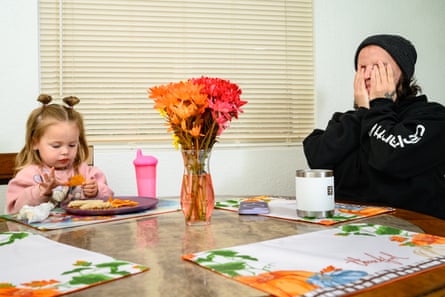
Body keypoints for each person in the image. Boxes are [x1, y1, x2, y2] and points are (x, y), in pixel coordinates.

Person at [303, 34, 445, 220]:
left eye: (379, 68)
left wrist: (380, 103)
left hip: (414, 229)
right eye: (362, 68)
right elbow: (318, 160)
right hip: (347, 229)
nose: (368, 75)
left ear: (404, 74)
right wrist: (363, 111)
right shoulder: (348, 120)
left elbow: (389, 158)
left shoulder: (432, 117)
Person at [6, 94, 114, 214]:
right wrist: (41, 191)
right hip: (41, 232)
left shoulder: (86, 172)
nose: (65, 152)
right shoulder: (28, 175)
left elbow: (109, 200)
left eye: (72, 145)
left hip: (81, 232)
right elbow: (15, 210)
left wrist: (96, 191)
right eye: (56, 146)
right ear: (34, 143)